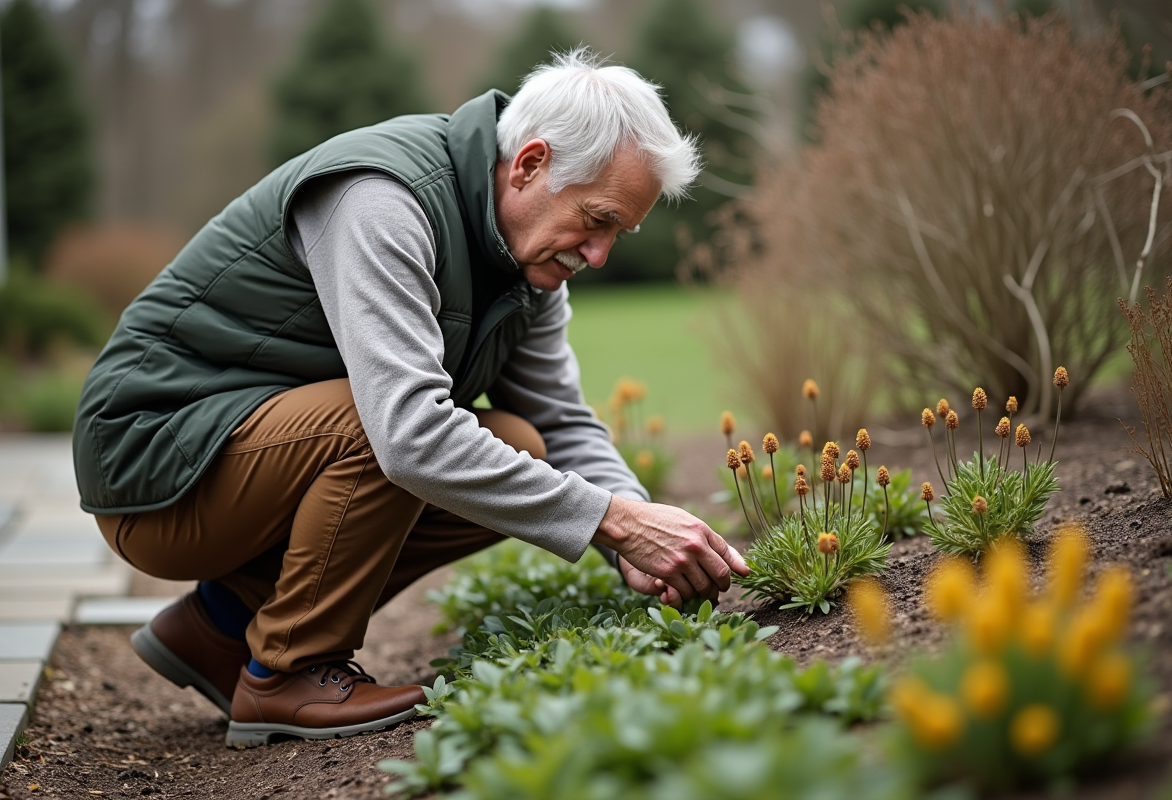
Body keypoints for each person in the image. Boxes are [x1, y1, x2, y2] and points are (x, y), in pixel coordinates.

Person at [72, 48, 747, 749]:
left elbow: (562, 420)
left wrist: (634, 532)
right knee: (394, 427)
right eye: (598, 219)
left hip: (242, 457)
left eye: (618, 233)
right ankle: (288, 673)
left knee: (521, 443)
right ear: (529, 164)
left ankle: (219, 625)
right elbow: (408, 436)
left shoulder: (530, 268)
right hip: (153, 462)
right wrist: (613, 521)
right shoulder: (384, 199)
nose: (600, 254)